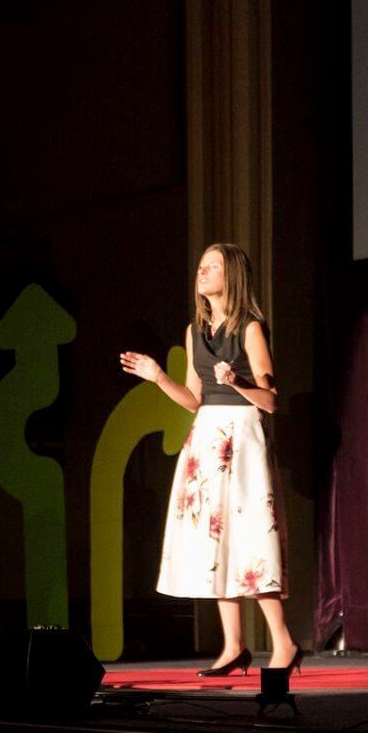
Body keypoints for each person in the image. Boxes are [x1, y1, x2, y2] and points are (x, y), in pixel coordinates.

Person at [119, 243, 303, 694]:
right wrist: (158, 377)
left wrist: (238, 382)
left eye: (212, 267)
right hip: (206, 436)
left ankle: (283, 642)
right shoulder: (194, 331)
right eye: (200, 267)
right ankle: (233, 646)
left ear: (233, 276)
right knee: (215, 539)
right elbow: (194, 399)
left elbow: (273, 401)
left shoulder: (250, 329)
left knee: (251, 537)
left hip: (242, 437)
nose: (202, 273)